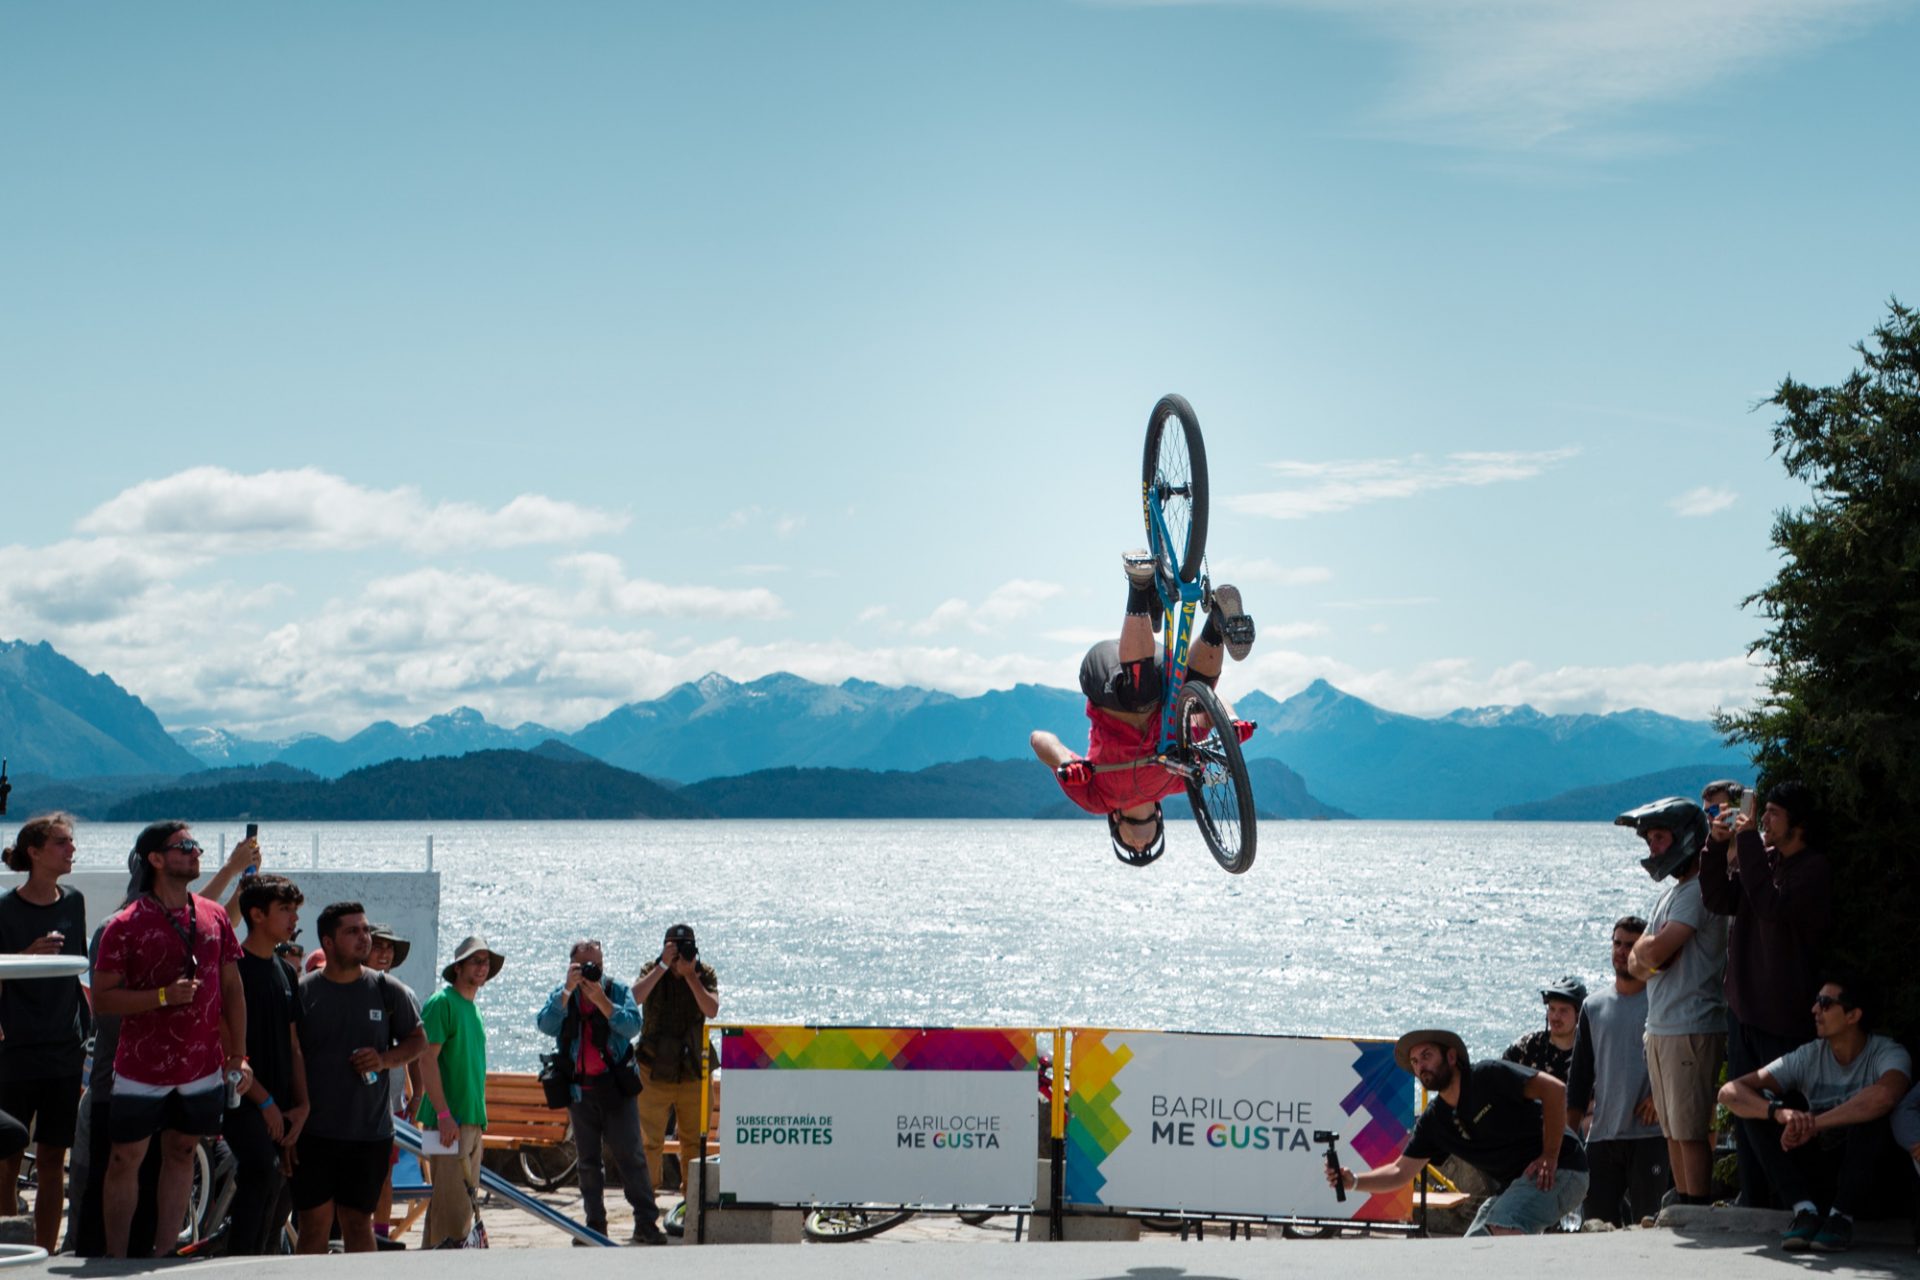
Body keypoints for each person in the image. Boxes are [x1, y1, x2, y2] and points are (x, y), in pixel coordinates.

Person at [70, 833, 256, 1257]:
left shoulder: (212, 915)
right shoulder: (123, 924)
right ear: (155, 858)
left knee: (183, 1151)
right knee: (124, 1159)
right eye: (184, 848)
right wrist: (161, 996)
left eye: (196, 848)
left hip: (200, 1066)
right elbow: (103, 1000)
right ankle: (116, 1257)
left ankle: (165, 1253)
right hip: (139, 1067)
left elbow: (232, 986)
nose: (195, 854)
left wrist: (237, 1055)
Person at [1028, 552, 1255, 863]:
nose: (1139, 846)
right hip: (1155, 669)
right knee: (1195, 695)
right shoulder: (1178, 779)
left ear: (1116, 824)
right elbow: (1209, 708)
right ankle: (1218, 621)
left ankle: (1138, 584)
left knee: (1140, 694)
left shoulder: (1097, 800)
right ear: (1160, 820)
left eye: (1130, 845)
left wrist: (1065, 764)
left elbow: (1039, 739)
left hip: (1105, 678)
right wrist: (1230, 721)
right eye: (1147, 845)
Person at [1699, 779, 1832, 1208]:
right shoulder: (1766, 859)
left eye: (1774, 814)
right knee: (1745, 1113)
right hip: (1744, 1010)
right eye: (1765, 811)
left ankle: (1797, 1201)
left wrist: (1746, 840)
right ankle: (1754, 1199)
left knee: (1784, 1109)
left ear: (1799, 824)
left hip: (1783, 1016)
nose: (1764, 821)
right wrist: (1716, 845)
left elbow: (1771, 907)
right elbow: (1719, 899)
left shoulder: (1813, 870)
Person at [1325, 1028, 1589, 1235]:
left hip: (1563, 1169)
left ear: (1451, 1057)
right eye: (1415, 1061)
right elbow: (1400, 1172)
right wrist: (1354, 1181)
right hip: (1518, 1185)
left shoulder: (1488, 1076)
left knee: (1503, 1226)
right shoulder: (1435, 1121)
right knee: (1474, 1248)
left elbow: (1554, 1089)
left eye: (1427, 1056)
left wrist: (1550, 1155)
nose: (1420, 1066)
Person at [1719, 971, 1912, 1253]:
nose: (1814, 1010)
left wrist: (1815, 1124)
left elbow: (1885, 1095)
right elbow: (1729, 1092)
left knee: (1875, 1115)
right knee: (1759, 1108)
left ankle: (1841, 1218)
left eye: (1825, 1003)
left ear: (1853, 1015)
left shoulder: (1887, 1053)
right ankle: (1804, 1210)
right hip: (1821, 1177)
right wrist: (1779, 1114)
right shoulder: (1810, 1055)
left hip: (1870, 1185)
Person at [293, 902, 426, 1254]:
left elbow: (418, 1041)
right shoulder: (303, 992)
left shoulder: (388, 990)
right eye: (352, 931)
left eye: (365, 929)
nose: (364, 937)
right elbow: (289, 1056)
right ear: (328, 941)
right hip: (313, 1133)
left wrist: (383, 1060)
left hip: (369, 1133)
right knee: (313, 1227)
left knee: (358, 1223)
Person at [1617, 797, 1728, 1207]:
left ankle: (1696, 1206)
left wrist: (1648, 953)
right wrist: (1647, 954)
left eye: (1659, 838)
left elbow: (1655, 952)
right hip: (1663, 1025)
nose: (1653, 848)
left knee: (1690, 1130)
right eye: (1649, 840)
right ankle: (1683, 1201)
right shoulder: (1672, 895)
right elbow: (1637, 961)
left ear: (1684, 838)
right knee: (1672, 1130)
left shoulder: (1696, 892)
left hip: (1691, 1024)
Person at [536, 940, 666, 1245]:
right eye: (584, 966)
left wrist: (603, 1002)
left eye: (596, 965)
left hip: (615, 1089)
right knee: (588, 1162)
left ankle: (646, 1223)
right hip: (580, 1091)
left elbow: (633, 1026)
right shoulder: (563, 994)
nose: (591, 971)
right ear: (572, 966)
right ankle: (594, 1225)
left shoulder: (616, 990)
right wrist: (567, 991)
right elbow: (545, 1025)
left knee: (631, 1157)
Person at [0, 813, 90, 1251]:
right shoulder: (5, 909)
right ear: (34, 852)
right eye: (61, 842)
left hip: (63, 1049)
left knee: (54, 1158)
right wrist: (25, 955)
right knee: (7, 1158)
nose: (71, 850)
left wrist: (87, 1034)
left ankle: (43, 1252)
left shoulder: (74, 901)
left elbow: (78, 970)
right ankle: (7, 1248)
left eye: (70, 842)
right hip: (15, 1049)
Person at [1565, 916, 1669, 1227]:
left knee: (1649, 1226)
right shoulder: (1593, 1006)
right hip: (1602, 1137)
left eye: (1631, 945)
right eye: (1617, 943)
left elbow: (1679, 1063)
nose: (1622, 951)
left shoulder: (1661, 1001)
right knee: (1595, 1228)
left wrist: (1660, 1097)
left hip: (1650, 1136)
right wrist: (1567, 1144)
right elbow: (1579, 1079)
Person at [227, 874, 310, 1255]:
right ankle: (238, 1265)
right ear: (257, 915)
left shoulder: (287, 971)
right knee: (261, 1170)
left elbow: (294, 1045)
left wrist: (302, 1105)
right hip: (242, 1099)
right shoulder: (233, 969)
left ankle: (264, 1262)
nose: (294, 918)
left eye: (295, 910)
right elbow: (227, 1045)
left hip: (282, 1103)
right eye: (285, 909)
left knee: (282, 1188)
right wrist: (264, 1101)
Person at [416, 934, 502, 1249]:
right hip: (448, 1123)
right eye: (475, 961)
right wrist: (443, 1114)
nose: (483, 967)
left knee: (454, 1209)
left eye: (486, 962)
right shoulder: (442, 1003)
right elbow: (426, 1060)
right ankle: (445, 1267)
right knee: (453, 1212)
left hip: (470, 1121)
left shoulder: (472, 1009)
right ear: (458, 967)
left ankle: (431, 1264)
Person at [633, 923, 718, 1191]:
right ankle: (646, 1201)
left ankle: (692, 1200)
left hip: (693, 1068)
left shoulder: (703, 973)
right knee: (649, 1141)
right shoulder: (652, 969)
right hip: (652, 1067)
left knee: (694, 1141)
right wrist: (662, 965)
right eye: (675, 947)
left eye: (686, 947)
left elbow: (712, 1009)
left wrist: (691, 977)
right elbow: (634, 998)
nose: (681, 953)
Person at [365, 923, 421, 1245]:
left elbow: (417, 1047)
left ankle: (380, 1236)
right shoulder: (348, 989)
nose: (385, 953)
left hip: (391, 1104)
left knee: (384, 1176)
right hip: (352, 1104)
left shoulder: (402, 994)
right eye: (379, 945)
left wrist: (418, 1095)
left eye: (390, 947)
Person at [1503, 976, 1586, 1081]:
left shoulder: (1589, 1053)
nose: (1555, 1016)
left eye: (1563, 1011)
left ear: (1578, 1014)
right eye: (1552, 1009)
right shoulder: (1528, 1047)